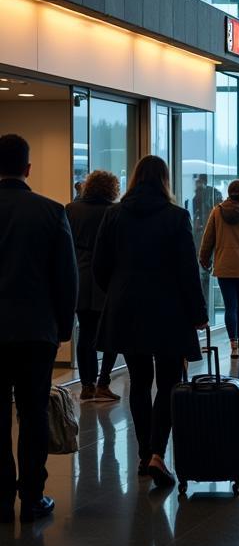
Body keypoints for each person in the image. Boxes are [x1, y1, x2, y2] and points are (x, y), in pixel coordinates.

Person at [94, 155, 208, 488]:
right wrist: (199, 314)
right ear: (165, 181)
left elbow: (100, 267)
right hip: (169, 310)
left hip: (126, 308)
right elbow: (189, 271)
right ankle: (159, 453)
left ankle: (144, 454)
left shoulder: (114, 215)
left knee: (139, 381)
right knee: (169, 380)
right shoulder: (176, 217)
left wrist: (118, 290)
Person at [0, 134, 77, 522]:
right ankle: (32, 496)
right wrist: (64, 326)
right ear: (28, 168)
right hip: (36, 330)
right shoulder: (49, 211)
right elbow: (67, 275)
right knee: (33, 414)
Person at [66, 169, 122, 402]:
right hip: (107, 277)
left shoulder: (71, 209)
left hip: (79, 274)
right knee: (112, 332)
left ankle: (87, 385)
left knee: (85, 332)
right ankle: (103, 382)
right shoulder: (114, 212)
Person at [199, 180, 239, 360]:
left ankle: (234, 345)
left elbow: (208, 239)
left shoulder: (217, 212)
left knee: (230, 306)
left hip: (223, 267)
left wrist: (204, 259)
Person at [188, 173, 221, 248]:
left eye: (199, 181)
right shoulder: (213, 192)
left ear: (204, 182)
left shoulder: (211, 193)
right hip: (206, 222)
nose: (198, 184)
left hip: (208, 221)